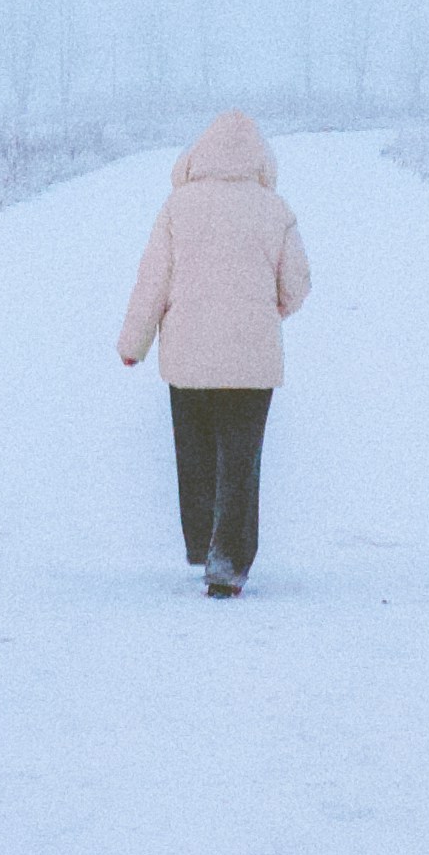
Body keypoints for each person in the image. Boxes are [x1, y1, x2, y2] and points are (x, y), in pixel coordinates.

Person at [116, 110, 312, 596]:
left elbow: (152, 284)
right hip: (253, 363)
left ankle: (202, 542)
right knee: (241, 459)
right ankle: (229, 561)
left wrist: (133, 344)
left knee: (196, 452)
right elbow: (298, 286)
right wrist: (264, 314)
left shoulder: (176, 208)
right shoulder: (276, 210)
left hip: (188, 359)